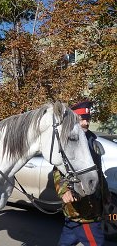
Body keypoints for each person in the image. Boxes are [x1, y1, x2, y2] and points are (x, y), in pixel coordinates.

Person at [53, 101, 111, 246]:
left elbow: (97, 171)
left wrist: (106, 196)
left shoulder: (91, 139)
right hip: (85, 209)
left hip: (88, 208)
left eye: (88, 119)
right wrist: (64, 190)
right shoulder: (70, 141)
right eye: (81, 119)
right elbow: (59, 169)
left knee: (68, 238)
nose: (86, 123)